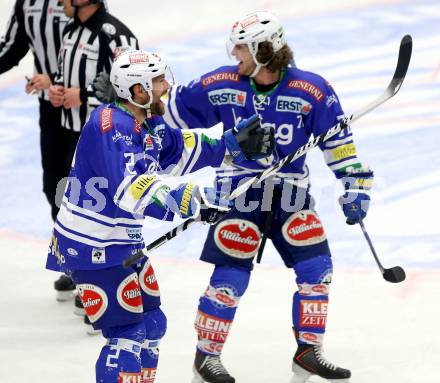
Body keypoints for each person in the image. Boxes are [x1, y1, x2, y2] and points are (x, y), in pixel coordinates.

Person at [161, 10, 373, 383]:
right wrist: (128, 98)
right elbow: (169, 110)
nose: (235, 55)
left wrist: (356, 186)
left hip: (291, 195)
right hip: (240, 192)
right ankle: (205, 358)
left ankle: (308, 352)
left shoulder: (312, 90)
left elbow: (339, 145)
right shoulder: (222, 83)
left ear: (265, 48)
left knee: (316, 271)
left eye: (242, 48)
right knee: (229, 278)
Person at [45, 49, 274, 383]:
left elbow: (177, 148)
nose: (166, 85)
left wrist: (228, 146)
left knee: (153, 324)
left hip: (119, 244)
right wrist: (191, 198)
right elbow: (131, 188)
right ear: (138, 90)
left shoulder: (143, 121)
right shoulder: (112, 128)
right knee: (128, 334)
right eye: (158, 80)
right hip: (93, 247)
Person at [49, 0, 139, 305]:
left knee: (101, 207)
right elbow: (68, 75)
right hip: (67, 130)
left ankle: (104, 282)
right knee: (63, 197)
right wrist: (57, 88)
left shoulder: (115, 34)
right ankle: (78, 269)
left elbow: (135, 88)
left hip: (101, 138)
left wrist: (84, 96)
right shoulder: (71, 30)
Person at [0, 0, 69, 224]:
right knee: (54, 185)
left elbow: (98, 51)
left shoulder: (81, 3)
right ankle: (66, 248)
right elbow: (12, 48)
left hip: (86, 106)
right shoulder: (26, 3)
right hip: (49, 106)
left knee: (84, 183)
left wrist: (54, 77)